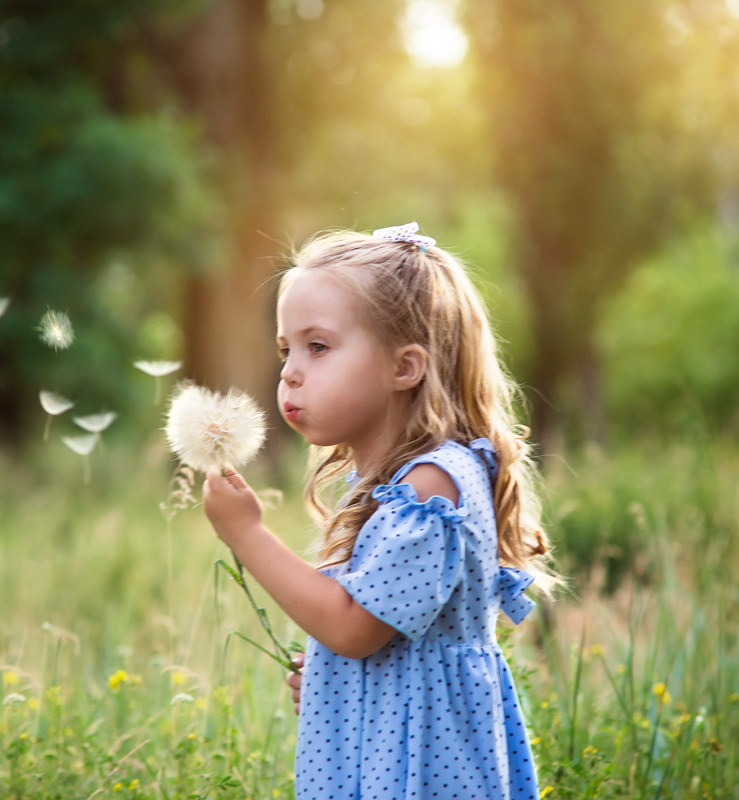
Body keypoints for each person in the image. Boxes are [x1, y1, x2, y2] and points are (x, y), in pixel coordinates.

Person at [202, 223, 557, 800]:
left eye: (317, 347)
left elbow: (350, 626)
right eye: (285, 349)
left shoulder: (429, 489)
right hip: (401, 751)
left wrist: (246, 534)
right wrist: (332, 679)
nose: (289, 371)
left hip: (426, 769)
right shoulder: (400, 482)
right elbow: (375, 636)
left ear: (405, 367)